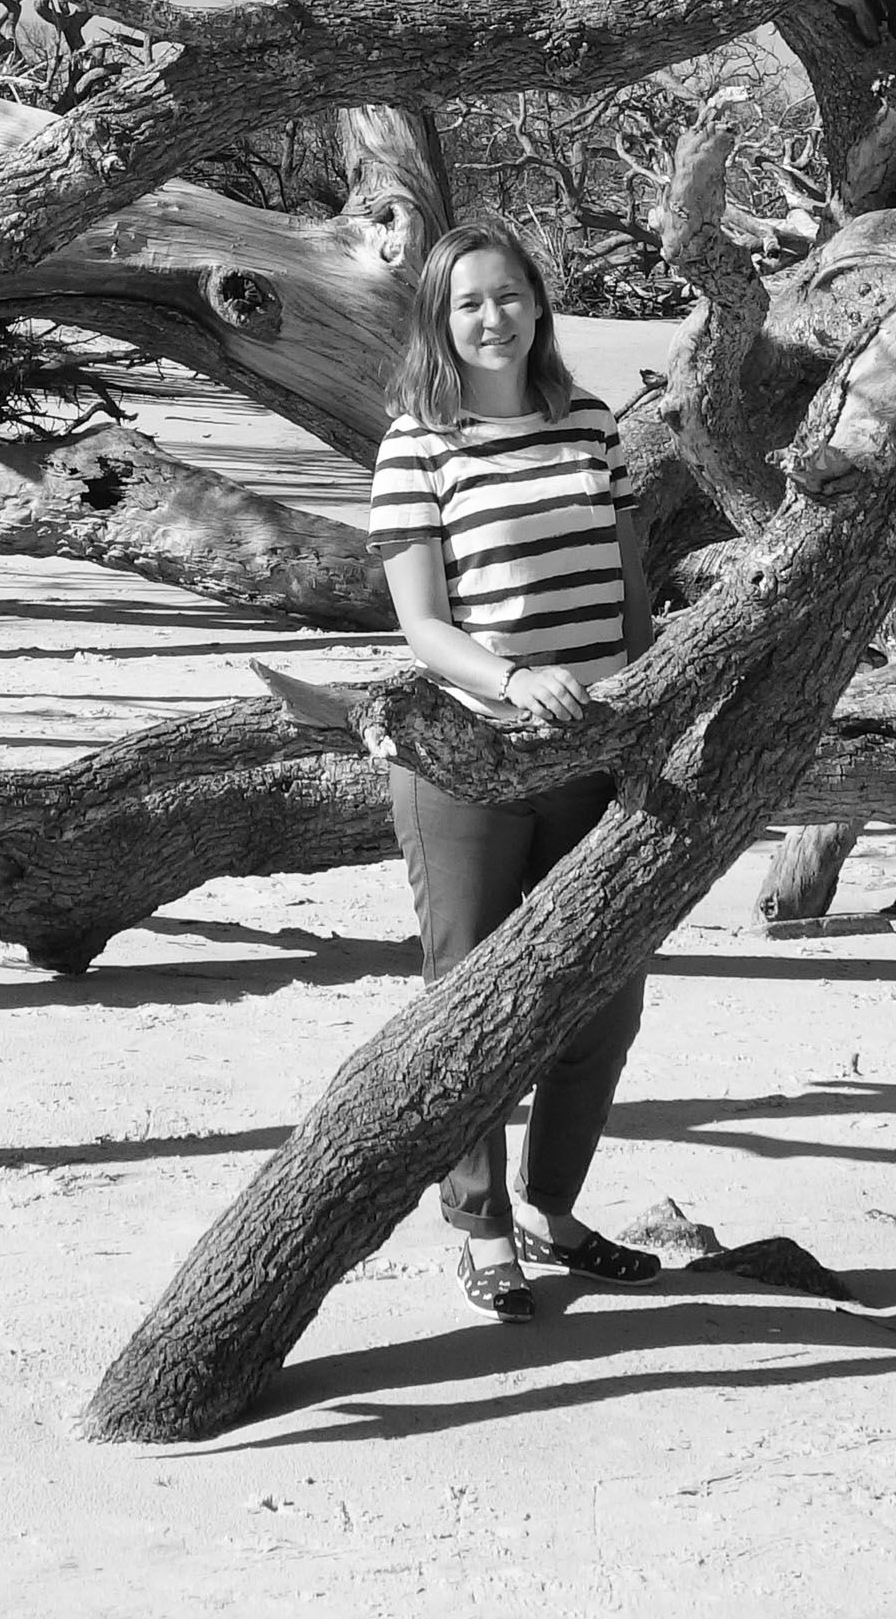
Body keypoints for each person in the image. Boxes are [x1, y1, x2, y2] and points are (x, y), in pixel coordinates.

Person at [365, 223, 664, 1324]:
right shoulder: (417, 442)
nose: (492, 317)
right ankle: (482, 1226)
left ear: (539, 305)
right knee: (469, 1000)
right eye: (467, 304)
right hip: (470, 756)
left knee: (605, 990)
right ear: (440, 323)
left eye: (509, 296)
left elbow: (626, 579)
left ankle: (556, 1209)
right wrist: (512, 676)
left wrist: (648, 691)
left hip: (597, 748)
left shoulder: (591, 423)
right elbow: (420, 623)